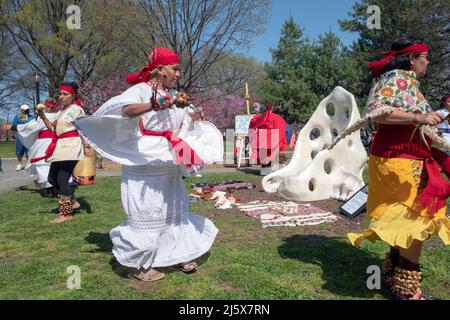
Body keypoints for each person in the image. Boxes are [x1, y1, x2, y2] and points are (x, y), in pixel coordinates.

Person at [74, 47, 223, 282]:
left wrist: (193, 115)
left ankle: (179, 253)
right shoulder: (141, 90)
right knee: (148, 207)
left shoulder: (173, 94)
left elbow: (180, 119)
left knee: (173, 204)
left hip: (168, 156)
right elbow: (126, 110)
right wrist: (153, 105)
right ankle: (140, 264)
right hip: (144, 156)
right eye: (175, 69)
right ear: (160, 69)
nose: (178, 74)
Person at [341, 37, 450, 300]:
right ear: (413, 59)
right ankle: (409, 291)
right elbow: (378, 112)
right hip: (401, 160)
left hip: (394, 158)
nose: (428, 63)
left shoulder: (397, 81)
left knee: (397, 219)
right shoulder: (398, 80)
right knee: (417, 220)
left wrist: (424, 124)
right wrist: (418, 117)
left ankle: (393, 278)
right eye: (426, 58)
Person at [35, 82, 90, 223]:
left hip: (71, 145)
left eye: (65, 94)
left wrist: (87, 145)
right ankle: (72, 200)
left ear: (73, 96)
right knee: (52, 178)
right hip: (60, 146)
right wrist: (43, 116)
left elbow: (84, 128)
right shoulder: (62, 112)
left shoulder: (77, 110)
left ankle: (66, 213)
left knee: (62, 178)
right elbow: (52, 129)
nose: (61, 96)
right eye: (60, 94)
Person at [16, 98, 61, 197]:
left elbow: (31, 127)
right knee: (56, 165)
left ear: (48, 107)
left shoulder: (44, 117)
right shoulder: (60, 115)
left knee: (44, 165)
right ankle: (57, 187)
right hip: (58, 143)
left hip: (44, 144)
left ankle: (50, 189)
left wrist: (18, 127)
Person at [249, 103, 287, 173]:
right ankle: (272, 171)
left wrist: (252, 130)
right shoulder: (276, 117)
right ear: (271, 109)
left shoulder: (259, 116)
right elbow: (282, 124)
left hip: (262, 136)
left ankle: (264, 171)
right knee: (271, 153)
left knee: (263, 153)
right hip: (272, 137)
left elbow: (252, 122)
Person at [11, 104, 33, 171]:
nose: (27, 111)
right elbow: (14, 126)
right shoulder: (18, 117)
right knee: (19, 151)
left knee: (28, 151)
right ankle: (19, 164)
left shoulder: (32, 117)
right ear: (22, 110)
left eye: (27, 109)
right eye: (25, 110)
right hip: (20, 137)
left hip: (29, 137)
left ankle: (28, 165)